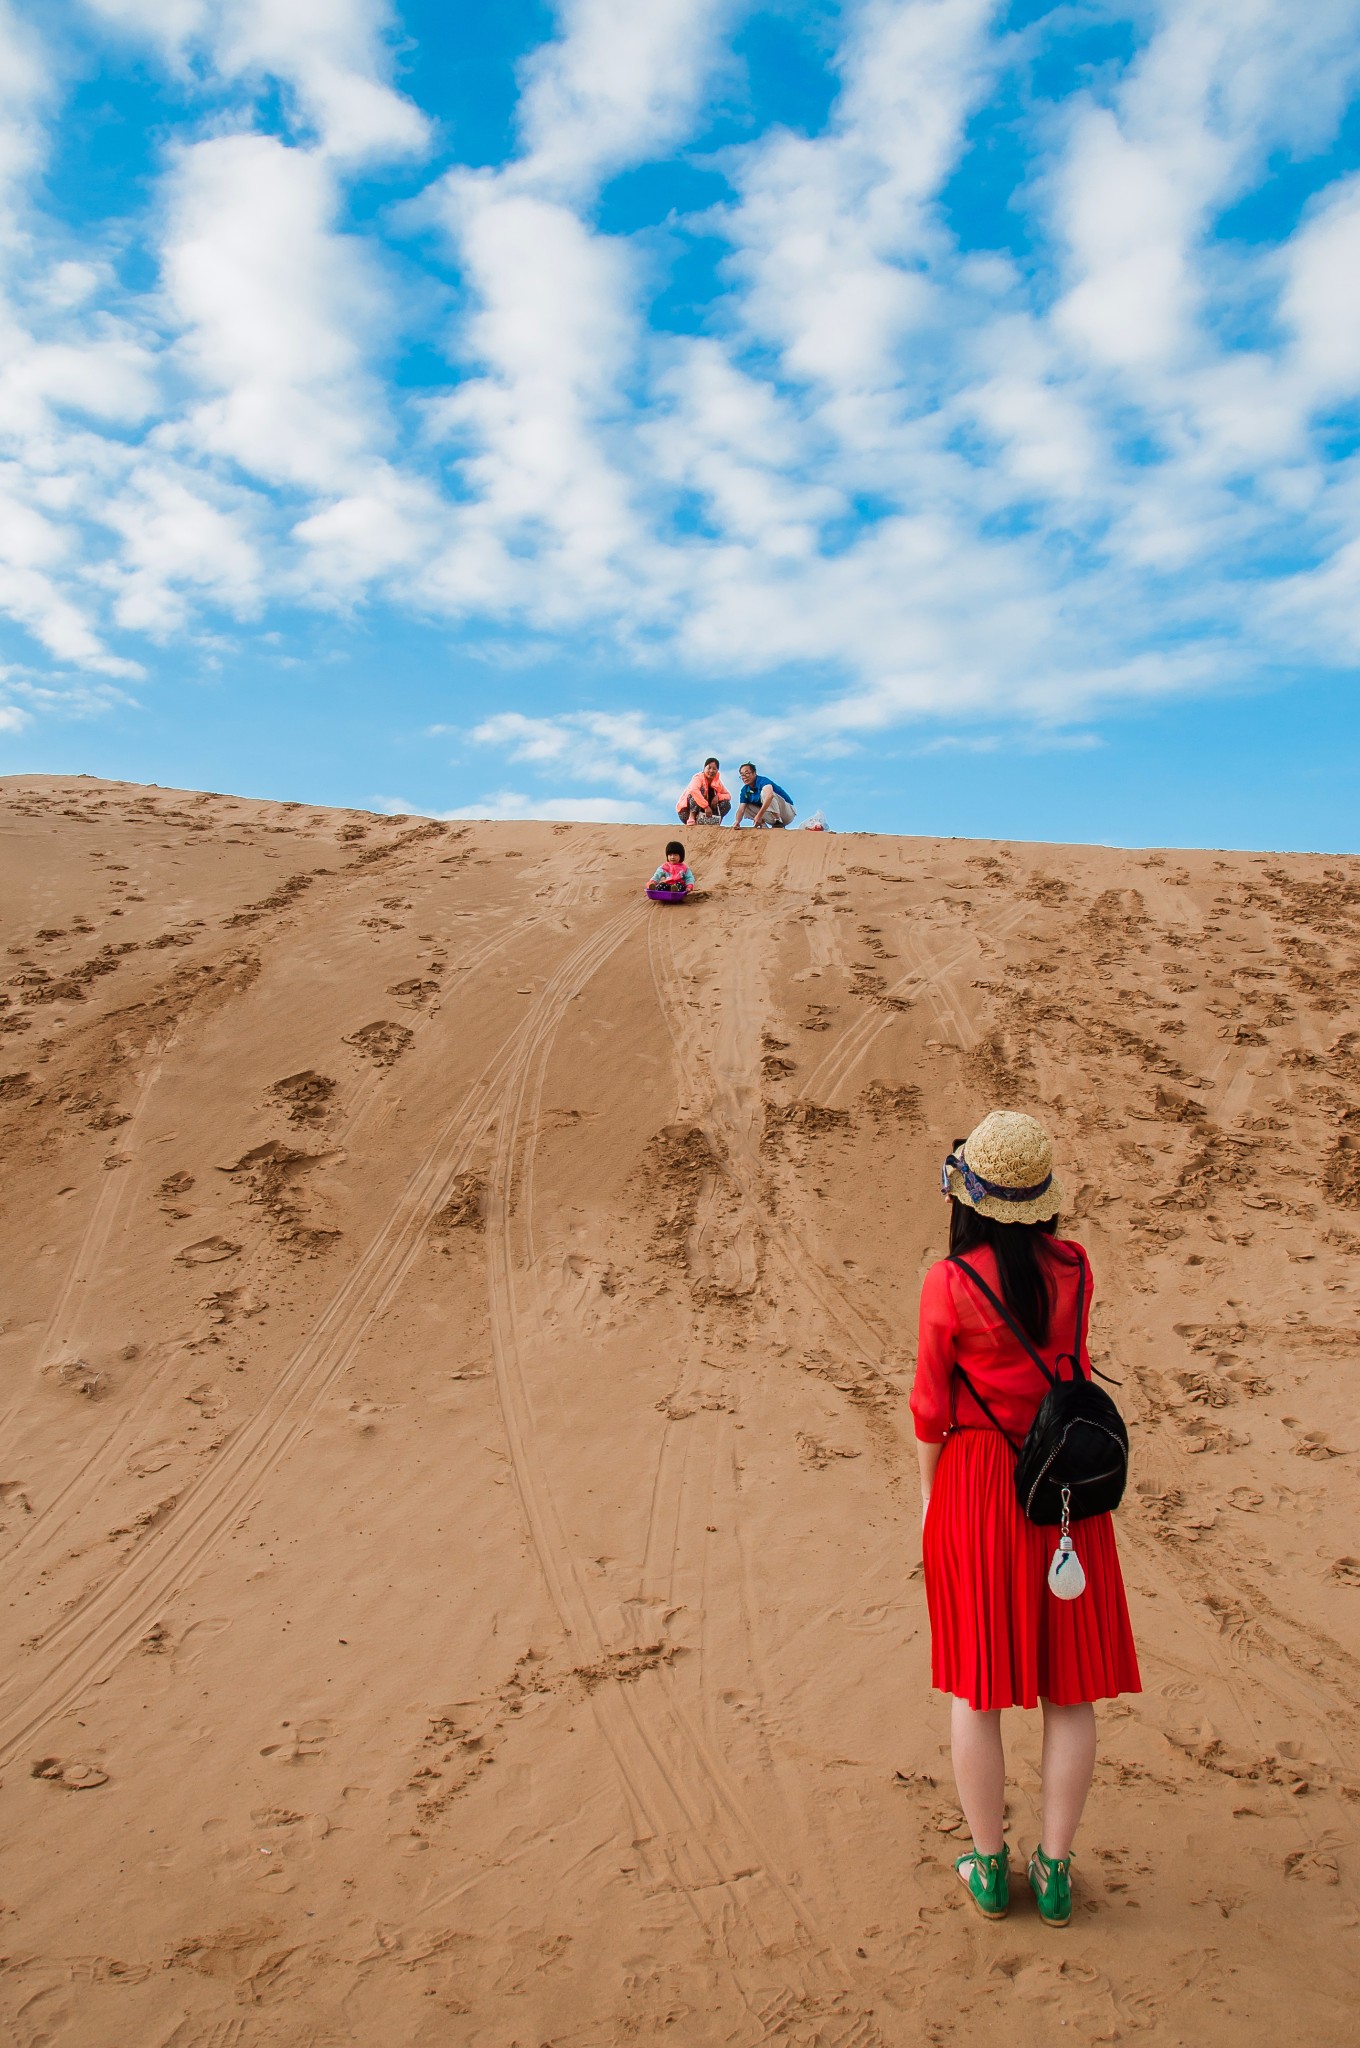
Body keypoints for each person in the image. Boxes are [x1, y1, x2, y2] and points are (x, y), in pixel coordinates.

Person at [911, 1110, 1140, 1927]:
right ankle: (1054, 1870)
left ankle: (986, 1863)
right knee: (1069, 1692)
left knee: (979, 1690)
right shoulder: (1074, 1268)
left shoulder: (949, 1284)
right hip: (1063, 1489)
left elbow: (930, 1410)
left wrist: (932, 1501)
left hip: (980, 1484)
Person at [734, 762, 795, 827]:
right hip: (770, 817)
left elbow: (770, 795)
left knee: (765, 794)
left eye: (747, 773)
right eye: (742, 775)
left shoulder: (762, 781)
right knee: (745, 806)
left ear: (754, 773)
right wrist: (737, 821)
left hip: (787, 812)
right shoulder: (745, 790)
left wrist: (759, 815)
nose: (744, 777)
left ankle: (778, 820)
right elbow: (741, 809)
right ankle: (763, 826)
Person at [677, 758, 731, 826]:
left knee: (726, 803)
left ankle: (715, 820)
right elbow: (694, 790)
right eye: (709, 768)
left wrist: (718, 797)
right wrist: (706, 806)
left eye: (714, 769)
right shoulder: (698, 778)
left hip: (704, 815)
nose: (711, 771)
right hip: (685, 813)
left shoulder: (717, 782)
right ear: (704, 768)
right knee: (698, 792)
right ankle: (692, 816)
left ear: (717, 770)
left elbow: (728, 795)